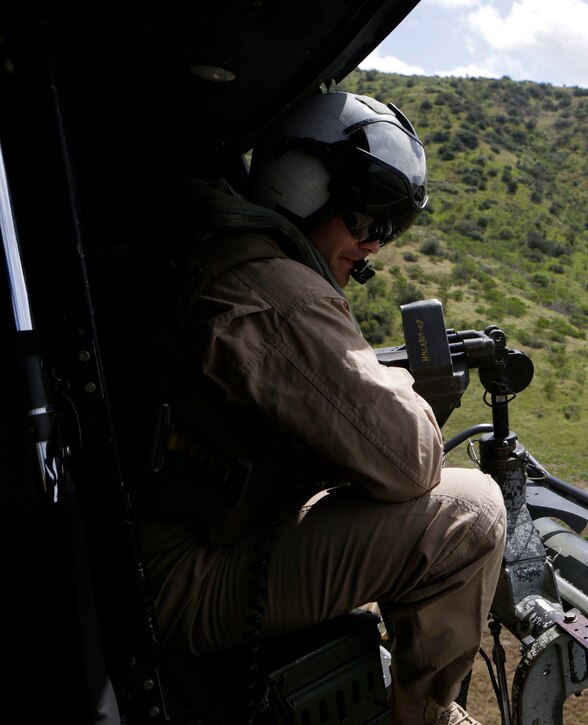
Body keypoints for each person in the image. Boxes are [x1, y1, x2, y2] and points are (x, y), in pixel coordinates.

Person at [136, 91, 505, 725]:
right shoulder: (275, 289)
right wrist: (400, 388)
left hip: (170, 550)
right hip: (181, 580)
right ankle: (425, 715)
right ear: (302, 186)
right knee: (470, 514)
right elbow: (412, 460)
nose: (375, 243)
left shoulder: (226, 254)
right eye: (366, 218)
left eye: (390, 227)